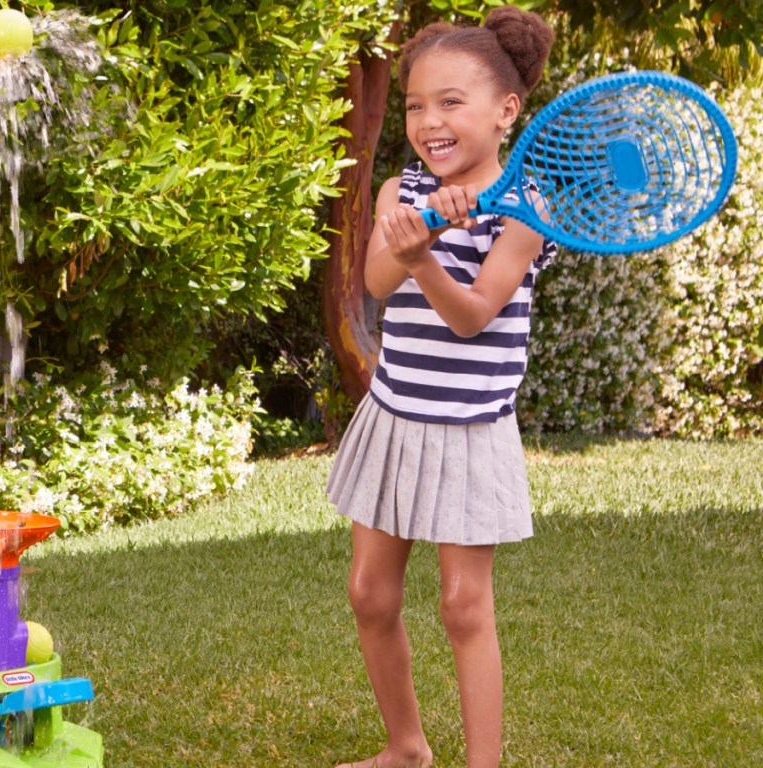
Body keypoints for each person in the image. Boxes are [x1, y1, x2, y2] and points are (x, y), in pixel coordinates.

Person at [326, 7, 556, 768]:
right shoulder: (404, 187)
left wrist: (432, 258)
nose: (430, 121)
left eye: (451, 102)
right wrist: (415, 237)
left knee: (463, 607)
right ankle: (406, 747)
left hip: (470, 428)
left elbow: (473, 317)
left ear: (505, 111)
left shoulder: (527, 211)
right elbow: (376, 280)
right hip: (395, 419)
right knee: (370, 594)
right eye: (417, 105)